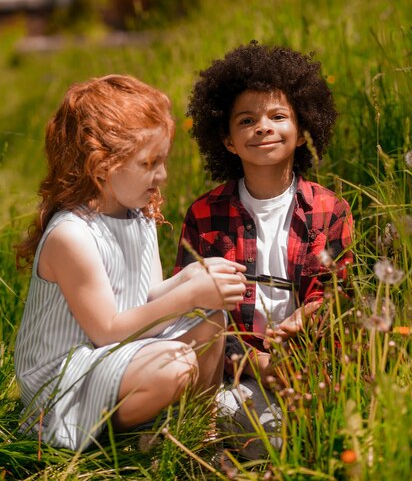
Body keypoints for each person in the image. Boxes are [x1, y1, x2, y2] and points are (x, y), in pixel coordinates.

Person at [14, 74, 247, 452]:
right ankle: (116, 440)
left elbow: (146, 295)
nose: (162, 175)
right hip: (64, 380)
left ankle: (198, 433)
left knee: (211, 319)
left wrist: (194, 276)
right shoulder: (71, 236)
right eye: (149, 162)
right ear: (101, 165)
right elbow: (106, 330)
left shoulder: (137, 214)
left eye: (163, 160)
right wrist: (188, 295)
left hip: (118, 351)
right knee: (177, 363)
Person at [174, 42, 354, 455]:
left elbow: (335, 294)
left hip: (307, 367)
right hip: (230, 369)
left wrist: (303, 324)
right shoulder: (204, 214)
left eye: (278, 116)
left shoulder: (330, 209)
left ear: (302, 128)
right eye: (247, 120)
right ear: (228, 140)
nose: (263, 127)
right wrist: (255, 363)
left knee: (309, 433)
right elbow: (194, 310)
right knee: (252, 430)